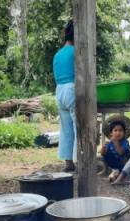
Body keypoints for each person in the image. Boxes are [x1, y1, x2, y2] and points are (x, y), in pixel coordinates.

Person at [53, 20, 76, 172]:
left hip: (59, 90)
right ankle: (81, 161)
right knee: (79, 127)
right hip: (72, 88)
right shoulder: (77, 51)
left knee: (66, 128)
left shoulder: (58, 54)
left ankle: (68, 162)